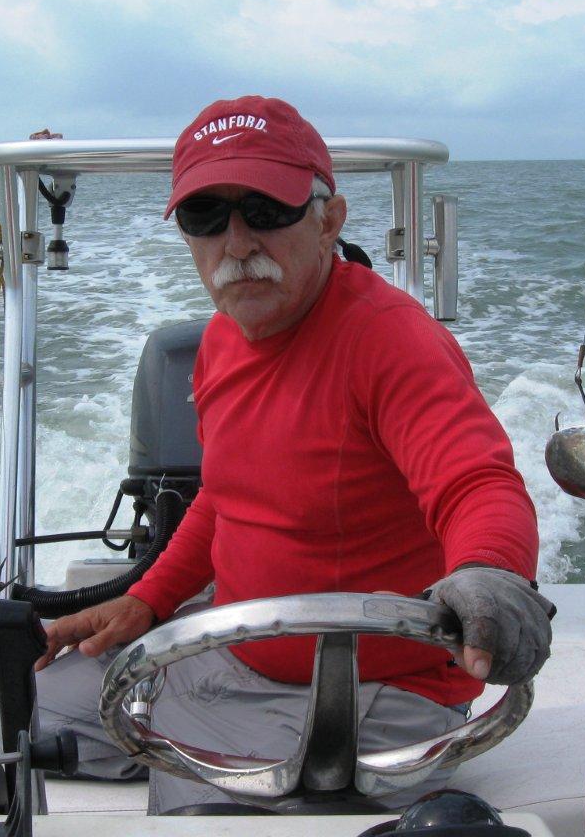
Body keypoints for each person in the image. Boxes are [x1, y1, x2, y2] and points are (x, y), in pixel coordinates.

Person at [33, 95, 553, 813]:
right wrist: (148, 600)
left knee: (198, 818)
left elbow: (478, 483)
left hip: (370, 691)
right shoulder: (222, 339)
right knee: (20, 707)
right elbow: (225, 497)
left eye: (266, 210)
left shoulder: (390, 341)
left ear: (329, 220)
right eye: (205, 216)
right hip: (223, 647)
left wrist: (491, 574)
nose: (236, 242)